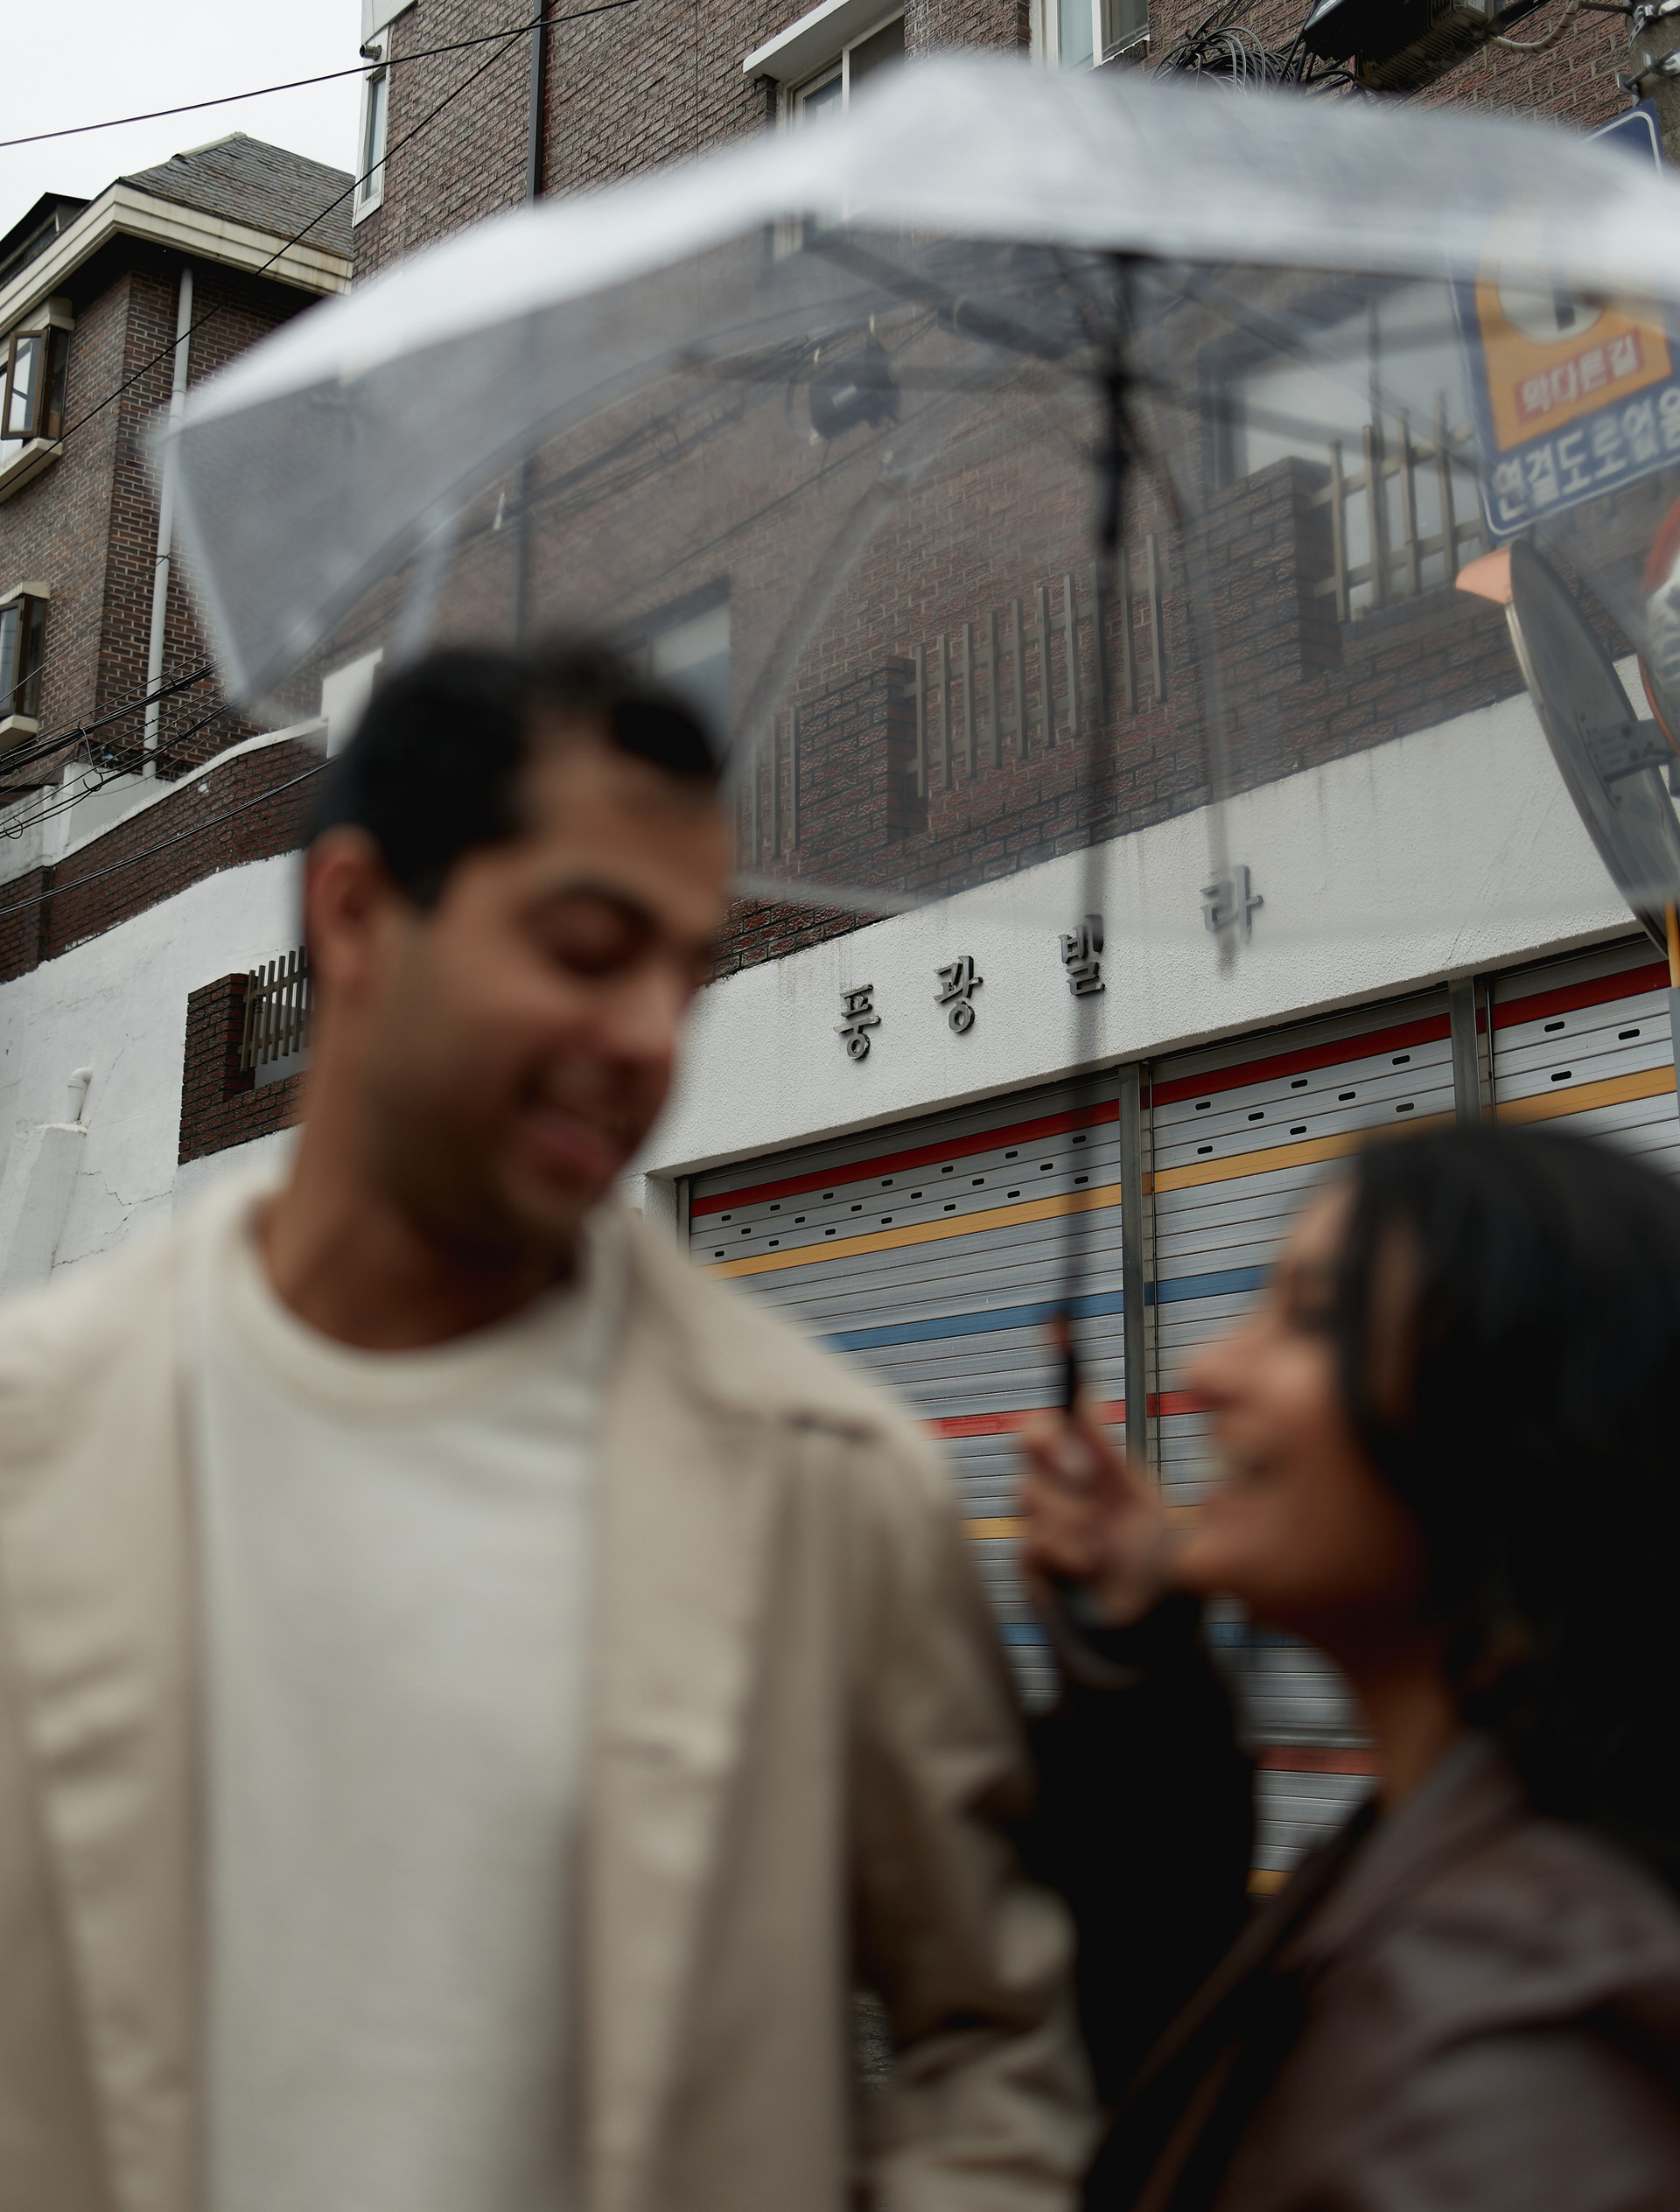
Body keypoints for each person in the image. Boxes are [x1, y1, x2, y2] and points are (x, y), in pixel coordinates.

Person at [0, 642, 1092, 2212]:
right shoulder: (44, 1445)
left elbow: (993, 2045)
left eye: (683, 971)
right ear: (356, 916)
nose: (652, 1036)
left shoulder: (820, 1488)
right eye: (587, 951)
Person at [1020, 1122, 1680, 2212]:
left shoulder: (1518, 2025)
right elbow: (1189, 2071)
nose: (1206, 1370)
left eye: (1313, 1316)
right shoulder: (1448, 1853)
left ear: (1512, 1431)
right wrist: (1141, 1655)